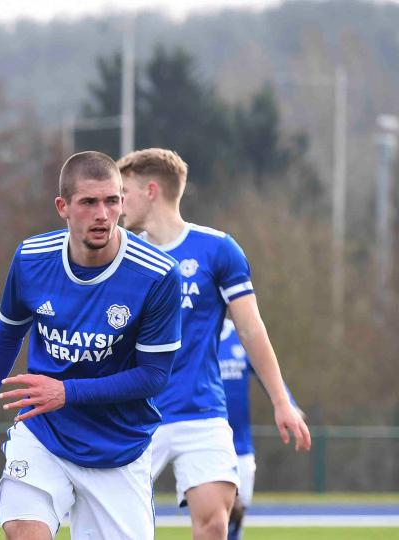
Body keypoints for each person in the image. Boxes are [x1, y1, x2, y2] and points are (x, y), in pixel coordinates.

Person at [0, 151, 182, 539]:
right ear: (63, 207)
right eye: (89, 202)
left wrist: (66, 392)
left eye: (112, 201)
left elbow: (154, 376)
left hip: (118, 448)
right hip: (44, 434)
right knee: (24, 530)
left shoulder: (157, 274)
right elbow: (6, 336)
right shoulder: (31, 259)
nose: (102, 214)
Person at [117, 148, 310, 540]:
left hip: (200, 412)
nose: (118, 205)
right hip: (137, 415)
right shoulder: (122, 256)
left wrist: (280, 400)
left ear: (151, 191)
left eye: (124, 193)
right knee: (116, 527)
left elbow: (251, 329)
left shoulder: (218, 249)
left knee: (214, 525)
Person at [218, 318, 301, 540]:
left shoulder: (240, 335)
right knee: (214, 516)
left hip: (241, 445)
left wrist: (289, 405)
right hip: (206, 441)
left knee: (237, 515)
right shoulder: (193, 333)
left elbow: (266, 372)